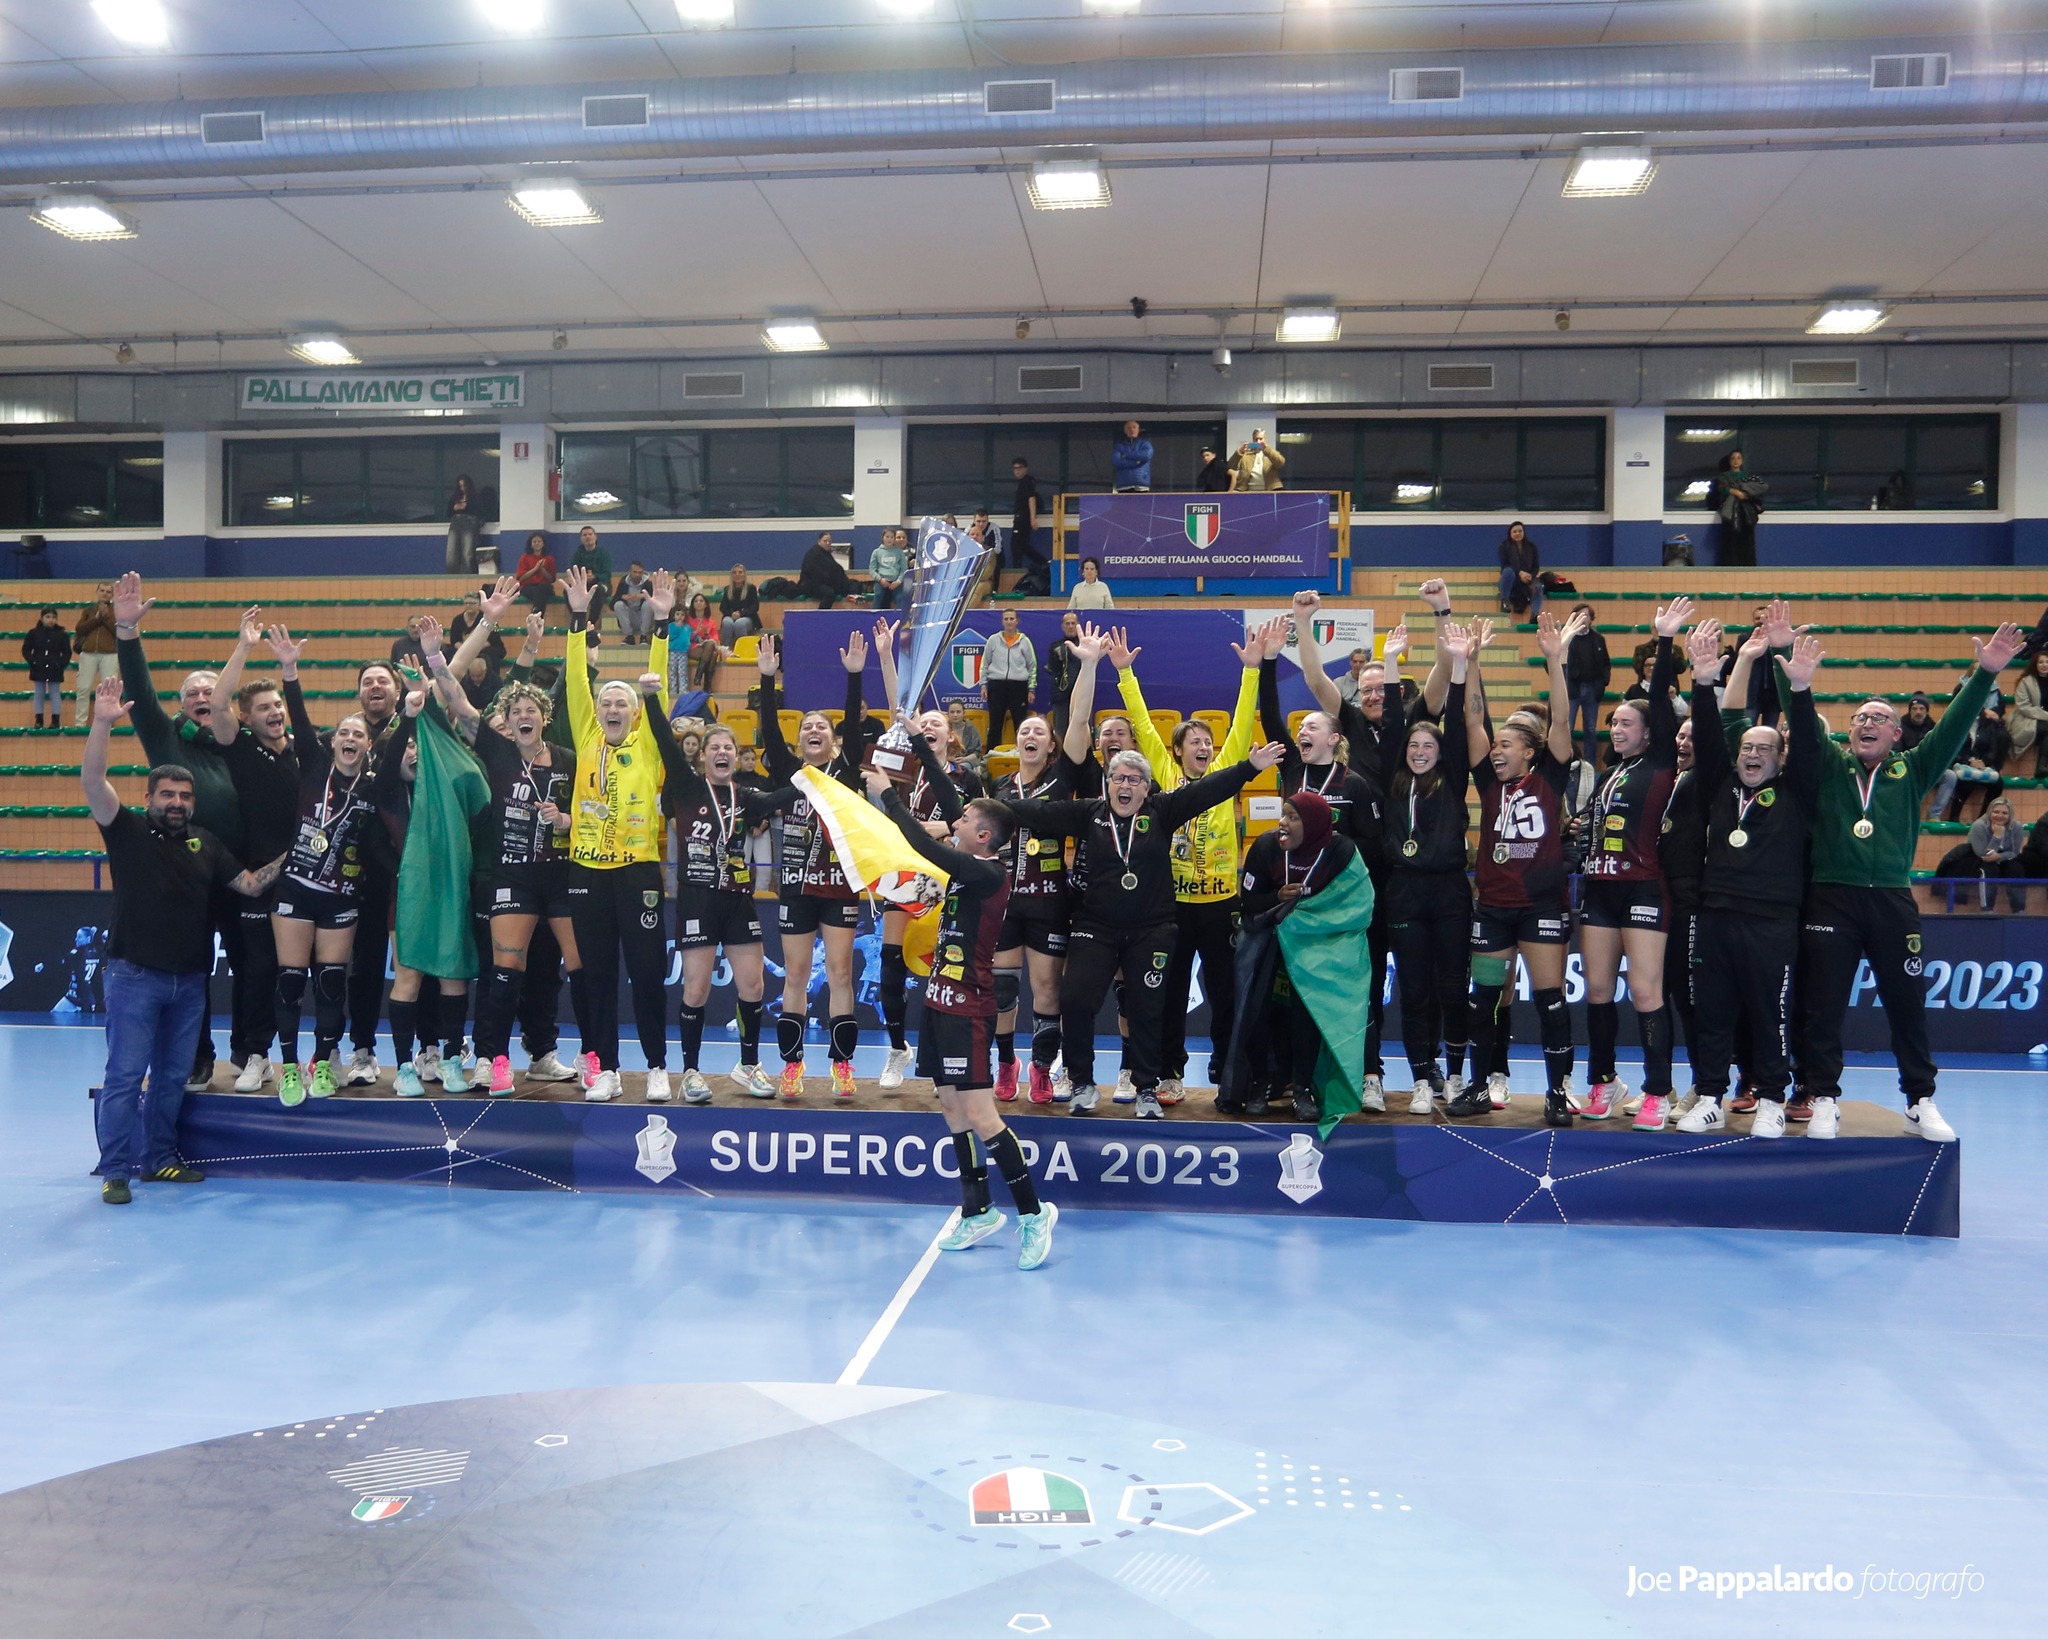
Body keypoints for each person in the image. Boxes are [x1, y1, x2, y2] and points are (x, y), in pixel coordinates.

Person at [1779, 600, 2024, 1141]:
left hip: (1891, 898)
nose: (1869, 723)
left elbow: (1955, 726)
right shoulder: (1827, 763)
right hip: (1831, 898)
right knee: (1821, 1006)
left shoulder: (1912, 770)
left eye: (1880, 719)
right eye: (1861, 717)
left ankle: (1920, 1098)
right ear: (1850, 732)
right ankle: (1821, 1095)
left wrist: (1986, 672)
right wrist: (1792, 677)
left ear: (1896, 736)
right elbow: (1799, 719)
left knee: (1907, 1005)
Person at [81, 676, 283, 1204]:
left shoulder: (206, 843)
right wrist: (102, 722)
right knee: (125, 1076)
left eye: (184, 795)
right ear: (148, 797)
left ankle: (161, 1160)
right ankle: (116, 1168)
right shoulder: (123, 829)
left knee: (172, 1078)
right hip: (134, 977)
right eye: (167, 794)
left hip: (189, 983)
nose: (176, 802)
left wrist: (301, 847)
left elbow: (250, 884)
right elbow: (92, 778)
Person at [1003, 738, 1286, 1114]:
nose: (1125, 786)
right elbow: (1034, 811)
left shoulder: (1163, 810)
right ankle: (1082, 1083)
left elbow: (1209, 790)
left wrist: (1250, 767)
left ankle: (1147, 1088)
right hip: (1095, 927)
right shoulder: (1089, 813)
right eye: (1118, 778)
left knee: (1148, 1008)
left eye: (1135, 780)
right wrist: (986, 806)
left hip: (1151, 929)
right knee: (1075, 999)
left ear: (1148, 786)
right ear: (1107, 783)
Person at [865, 767, 1058, 1268]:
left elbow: (926, 845)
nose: (956, 822)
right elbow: (954, 803)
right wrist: (919, 744)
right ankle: (979, 1210)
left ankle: (1034, 1214)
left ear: (984, 835)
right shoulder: (973, 858)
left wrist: (889, 797)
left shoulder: (987, 871)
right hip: (936, 1002)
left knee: (980, 1115)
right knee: (951, 1110)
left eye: (965, 820)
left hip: (969, 1009)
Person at [212, 616, 395, 1107]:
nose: (350, 738)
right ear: (330, 741)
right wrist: (288, 671)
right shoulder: (313, 763)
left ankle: (324, 1060)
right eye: (343, 733)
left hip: (343, 895)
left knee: (332, 983)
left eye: (359, 734)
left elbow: (401, 744)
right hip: (290, 889)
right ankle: (283, 1065)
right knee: (284, 979)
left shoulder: (374, 785)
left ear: (368, 744)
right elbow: (296, 709)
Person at [425, 584, 593, 1095]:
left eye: (531, 709)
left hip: (561, 877)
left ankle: (593, 1057)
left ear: (544, 717)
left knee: (578, 969)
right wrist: (436, 654)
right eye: (515, 709)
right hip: (511, 877)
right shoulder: (496, 752)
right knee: (504, 971)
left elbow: (595, 812)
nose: (523, 714)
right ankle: (493, 1060)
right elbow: (453, 696)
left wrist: (565, 821)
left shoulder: (567, 758)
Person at [1115, 619, 1280, 1112]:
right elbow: (1143, 726)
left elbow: (1244, 718)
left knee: (1228, 996)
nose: (1205, 747)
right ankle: (1169, 1072)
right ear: (1179, 749)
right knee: (1167, 996)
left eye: (1210, 742)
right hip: (1173, 907)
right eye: (1195, 742)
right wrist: (1126, 676)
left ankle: (1227, 1071)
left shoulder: (1228, 770)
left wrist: (1251, 672)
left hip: (1222, 906)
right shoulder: (1164, 776)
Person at [1675, 623, 1825, 1135]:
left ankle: (1771, 1099)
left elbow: (1806, 745)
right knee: (1713, 1014)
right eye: (1746, 748)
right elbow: (1711, 734)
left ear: (1780, 760)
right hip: (1715, 916)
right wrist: (1702, 681)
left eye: (1765, 748)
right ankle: (1711, 1095)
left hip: (1771, 922)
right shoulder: (1716, 784)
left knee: (1768, 1016)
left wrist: (1799, 691)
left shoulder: (1797, 793)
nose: (1753, 753)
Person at [111, 573, 254, 1091]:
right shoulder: (165, 735)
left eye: (210, 690)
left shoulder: (240, 747)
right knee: (191, 972)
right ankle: (197, 1057)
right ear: (181, 705)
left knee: (248, 964)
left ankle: (248, 1054)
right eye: (192, 691)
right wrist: (127, 630)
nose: (202, 696)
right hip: (184, 879)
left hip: (240, 876)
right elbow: (140, 689)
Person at [640, 687, 801, 1102]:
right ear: (703, 755)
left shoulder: (745, 797)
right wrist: (651, 698)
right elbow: (662, 737)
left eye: (729, 746)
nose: (723, 752)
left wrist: (811, 780)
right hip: (697, 899)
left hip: (737, 899)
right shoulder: (687, 785)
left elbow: (776, 797)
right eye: (715, 746)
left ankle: (747, 1065)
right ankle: (691, 1072)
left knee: (753, 984)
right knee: (696, 990)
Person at [1257, 620, 1395, 1106]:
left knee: (1357, 993)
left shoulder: (1354, 784)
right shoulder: (1291, 770)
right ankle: (1288, 1078)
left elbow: (1370, 851)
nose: (1300, 731)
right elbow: (1270, 716)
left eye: (1312, 726)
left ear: (1336, 739)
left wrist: (1332, 880)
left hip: (1337, 914)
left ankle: (1369, 1074)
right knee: (1288, 999)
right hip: (1292, 911)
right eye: (1300, 728)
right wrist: (1270, 661)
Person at [556, 565, 677, 1103]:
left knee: (648, 974)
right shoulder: (586, 732)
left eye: (621, 703)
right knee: (597, 977)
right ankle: (604, 1066)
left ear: (634, 712)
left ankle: (656, 1065)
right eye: (606, 702)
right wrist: (578, 618)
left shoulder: (649, 740)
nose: (610, 707)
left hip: (638, 871)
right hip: (586, 870)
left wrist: (662, 623)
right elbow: (577, 678)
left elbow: (659, 685)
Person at [1465, 607, 1585, 1127]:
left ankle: (1558, 1091)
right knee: (1484, 999)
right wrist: (1469, 661)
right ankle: (1478, 1084)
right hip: (1492, 908)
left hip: (1540, 907)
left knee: (1550, 999)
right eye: (1495, 745)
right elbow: (1472, 717)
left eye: (1506, 744)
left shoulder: (1549, 780)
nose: (1496, 750)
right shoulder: (1489, 784)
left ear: (1531, 752)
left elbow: (1561, 718)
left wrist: (1554, 659)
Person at [1577, 597, 1693, 1131]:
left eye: (1625, 722)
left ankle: (1657, 1091)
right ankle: (1603, 1082)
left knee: (1647, 992)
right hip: (1598, 890)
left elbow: (1664, 705)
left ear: (1650, 732)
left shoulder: (1663, 761)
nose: (1615, 728)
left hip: (1645, 888)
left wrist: (1665, 640)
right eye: (1612, 722)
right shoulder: (1608, 775)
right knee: (1599, 991)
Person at [985, 628, 1107, 1105]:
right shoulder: (998, 789)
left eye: (1039, 731)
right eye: (1023, 733)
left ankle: (1040, 1068)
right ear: (1016, 746)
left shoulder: (1062, 779)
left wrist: (1089, 665)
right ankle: (1005, 1064)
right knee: (1000, 992)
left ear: (1052, 745)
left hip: (1050, 902)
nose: (1030, 735)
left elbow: (1078, 720)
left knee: (1046, 992)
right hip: (1003, 901)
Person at [756, 629, 870, 1098]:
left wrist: (855, 678)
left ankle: (843, 1066)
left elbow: (855, 723)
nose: (814, 730)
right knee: (797, 975)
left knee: (841, 975)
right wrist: (767, 682)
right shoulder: (791, 773)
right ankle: (792, 1066)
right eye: (806, 727)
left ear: (835, 740)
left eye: (822, 726)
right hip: (797, 891)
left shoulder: (845, 771)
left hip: (841, 887)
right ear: (800, 740)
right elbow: (767, 723)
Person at [1384, 622, 1479, 1116]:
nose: (1419, 752)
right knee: (1415, 991)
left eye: (1428, 747)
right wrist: (1393, 663)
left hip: (1448, 891)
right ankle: (1422, 1077)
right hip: (1404, 892)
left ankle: (1457, 1073)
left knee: (1450, 986)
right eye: (1414, 747)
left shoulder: (1452, 777)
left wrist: (1459, 667)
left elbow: (1460, 726)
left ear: (1440, 754)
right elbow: (1396, 725)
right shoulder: (1393, 781)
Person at [1234, 790, 1367, 1121]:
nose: (1283, 823)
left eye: (1293, 817)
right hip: (1270, 944)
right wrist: (1276, 897)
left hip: (1317, 948)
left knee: (1307, 1011)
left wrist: (1311, 919)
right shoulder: (1265, 847)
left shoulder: (1341, 851)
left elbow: (1357, 902)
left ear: (1315, 825)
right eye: (1283, 814)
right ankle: (1261, 1082)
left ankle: (1303, 1086)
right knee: (1258, 1007)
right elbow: (1248, 905)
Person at [1935, 797, 2028, 913]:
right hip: (1976, 859)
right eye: (1996, 812)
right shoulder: (1979, 826)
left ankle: (2019, 909)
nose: (2000, 816)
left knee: (2016, 868)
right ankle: (1987, 908)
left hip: (2002, 858)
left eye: (2005, 813)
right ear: (1989, 812)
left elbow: (2014, 852)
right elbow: (1983, 854)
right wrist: (1997, 836)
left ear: (2010, 815)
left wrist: (1999, 857)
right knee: (1989, 869)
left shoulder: (2017, 827)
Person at [979, 608, 1037, 749]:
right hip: (996, 686)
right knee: (995, 724)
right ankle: (990, 757)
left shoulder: (1025, 641)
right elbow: (984, 663)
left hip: (1019, 686)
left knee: (1020, 723)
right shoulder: (993, 640)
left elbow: (1032, 666)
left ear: (1017, 621)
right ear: (1002, 621)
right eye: (1006, 619)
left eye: (1012, 619)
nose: (1009, 622)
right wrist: (983, 685)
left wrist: (1031, 688)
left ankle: (1023, 753)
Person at [1562, 604, 1611, 768]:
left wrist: (1603, 682)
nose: (1582, 619)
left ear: (1591, 619)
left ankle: (1589, 764)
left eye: (1585, 616)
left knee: (1590, 729)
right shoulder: (1567, 638)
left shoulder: (1598, 639)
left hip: (1592, 688)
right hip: (1572, 688)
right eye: (1578, 616)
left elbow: (1605, 663)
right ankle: (1565, 761)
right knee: (1567, 726)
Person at [72, 582, 119, 728]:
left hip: (110, 654)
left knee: (109, 691)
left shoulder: (116, 612)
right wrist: (96, 619)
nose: (105, 594)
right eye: (102, 591)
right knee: (83, 688)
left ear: (112, 595)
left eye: (108, 592)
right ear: (97, 592)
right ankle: (80, 723)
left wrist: (105, 618)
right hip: (89, 653)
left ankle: (108, 722)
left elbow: (119, 632)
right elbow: (80, 629)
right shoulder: (89, 610)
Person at [1708, 451, 1764, 568]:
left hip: (1746, 515)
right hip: (1730, 515)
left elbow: (1758, 488)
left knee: (1746, 542)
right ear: (1729, 461)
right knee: (1730, 542)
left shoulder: (1748, 476)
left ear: (1742, 461)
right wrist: (1735, 492)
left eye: (1738, 458)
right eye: (1733, 458)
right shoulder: (1724, 477)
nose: (1736, 461)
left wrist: (1745, 494)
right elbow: (1722, 488)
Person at [22, 604, 67, 729]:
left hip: (55, 668)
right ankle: (39, 719)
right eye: (48, 617)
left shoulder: (61, 634)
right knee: (39, 693)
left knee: (55, 693)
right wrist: (33, 662)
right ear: (42, 618)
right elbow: (26, 650)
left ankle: (56, 720)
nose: (51, 620)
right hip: (38, 667)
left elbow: (67, 652)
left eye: (53, 617)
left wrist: (60, 664)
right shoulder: (33, 633)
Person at [1046, 610, 1087, 735]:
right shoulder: (1056, 646)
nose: (1070, 626)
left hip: (1082, 695)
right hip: (1061, 696)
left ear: (1078, 625)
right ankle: (1059, 755)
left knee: (1082, 732)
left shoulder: (1086, 645)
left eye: (1073, 623)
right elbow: (1053, 670)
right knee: (1060, 732)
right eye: (1067, 623)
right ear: (1063, 626)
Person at [2010, 649, 2048, 776]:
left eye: (2047, 662)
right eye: (2040, 662)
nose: (2044, 665)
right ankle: (2041, 766)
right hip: (2027, 720)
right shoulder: (2026, 681)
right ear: (2035, 665)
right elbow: (2023, 707)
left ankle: (2041, 767)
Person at [1496, 522, 1543, 617]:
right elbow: (1504, 565)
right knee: (1508, 571)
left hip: (1527, 579)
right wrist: (1520, 573)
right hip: (1510, 580)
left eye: (1520, 531)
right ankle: (1505, 602)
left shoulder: (1532, 547)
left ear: (1524, 532)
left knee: (1538, 586)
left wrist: (1530, 576)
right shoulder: (1504, 546)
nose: (1517, 533)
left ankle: (1535, 614)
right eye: (1514, 531)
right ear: (1510, 534)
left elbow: (1536, 567)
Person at [799, 531, 855, 609]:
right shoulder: (813, 554)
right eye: (825, 541)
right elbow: (817, 574)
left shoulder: (826, 555)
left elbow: (836, 569)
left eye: (830, 541)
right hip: (810, 585)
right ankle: (821, 617)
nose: (828, 543)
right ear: (819, 541)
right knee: (829, 593)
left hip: (822, 584)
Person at [682, 593, 721, 692]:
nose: (698, 603)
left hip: (706, 646)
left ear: (706, 605)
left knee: (713, 652)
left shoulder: (710, 621)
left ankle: (701, 678)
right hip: (692, 646)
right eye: (696, 601)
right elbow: (684, 637)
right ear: (693, 605)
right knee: (712, 652)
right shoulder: (688, 620)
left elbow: (715, 637)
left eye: (701, 601)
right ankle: (706, 684)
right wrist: (696, 634)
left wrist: (707, 635)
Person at [1010, 457, 1044, 569]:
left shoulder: (1027, 481)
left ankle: (1017, 570)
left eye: (1020, 468)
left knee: (1015, 545)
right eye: (1015, 468)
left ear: (1026, 469)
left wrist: (1033, 519)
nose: (1017, 471)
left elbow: (1031, 499)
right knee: (1023, 546)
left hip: (1023, 518)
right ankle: (1044, 563)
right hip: (1020, 517)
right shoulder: (1022, 483)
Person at [716, 563, 761, 644]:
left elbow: (755, 607)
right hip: (731, 616)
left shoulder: (751, 588)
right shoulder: (727, 589)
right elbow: (723, 607)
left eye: (740, 572)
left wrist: (741, 613)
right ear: (732, 575)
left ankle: (742, 649)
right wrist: (732, 614)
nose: (737, 575)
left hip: (748, 617)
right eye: (735, 572)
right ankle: (726, 649)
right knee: (726, 623)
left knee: (739, 624)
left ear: (744, 575)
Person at [447, 473, 482, 573]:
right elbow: (448, 512)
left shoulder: (475, 497)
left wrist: (466, 507)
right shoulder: (455, 497)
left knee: (468, 552)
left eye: (464, 485)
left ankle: (467, 574)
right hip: (456, 522)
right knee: (451, 552)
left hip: (470, 522)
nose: (462, 488)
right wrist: (455, 508)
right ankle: (452, 575)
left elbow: (479, 511)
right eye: (460, 486)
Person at [516, 532, 557, 615]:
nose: (537, 543)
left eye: (539, 541)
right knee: (537, 592)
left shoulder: (549, 559)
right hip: (528, 587)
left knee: (542, 590)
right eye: (534, 541)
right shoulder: (525, 558)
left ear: (543, 544)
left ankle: (535, 614)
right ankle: (538, 616)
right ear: (531, 544)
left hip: (544, 586)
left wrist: (542, 569)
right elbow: (521, 578)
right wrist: (535, 569)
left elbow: (551, 579)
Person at [614, 562, 655, 642]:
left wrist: (644, 596)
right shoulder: (623, 583)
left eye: (640, 573)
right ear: (630, 572)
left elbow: (655, 601)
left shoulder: (648, 584)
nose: (637, 575)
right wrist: (622, 597)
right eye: (635, 572)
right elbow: (612, 603)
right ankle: (629, 636)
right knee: (618, 605)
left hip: (643, 617)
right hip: (629, 616)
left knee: (648, 604)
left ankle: (643, 636)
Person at [869, 528, 908, 611]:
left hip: (896, 582)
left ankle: (898, 619)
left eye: (891, 537)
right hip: (881, 581)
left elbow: (904, 569)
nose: (889, 539)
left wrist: (898, 581)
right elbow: (872, 569)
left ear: (894, 539)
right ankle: (873, 617)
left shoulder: (899, 552)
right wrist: (880, 579)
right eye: (887, 537)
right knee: (878, 595)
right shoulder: (876, 552)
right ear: (883, 538)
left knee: (900, 598)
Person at [1112, 419, 1153, 492]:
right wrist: (1135, 462)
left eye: (1134, 427)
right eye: (1129, 428)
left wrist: (1126, 455)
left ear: (1138, 430)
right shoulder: (1119, 446)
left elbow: (1146, 456)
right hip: (1124, 486)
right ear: (1125, 431)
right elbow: (1116, 462)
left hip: (1141, 485)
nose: (1132, 429)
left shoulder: (1145, 444)